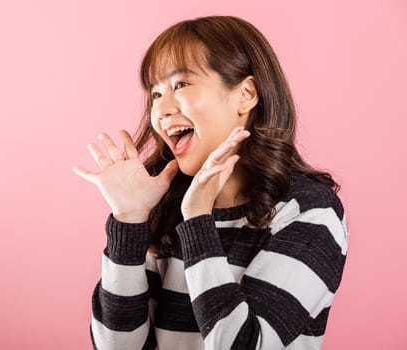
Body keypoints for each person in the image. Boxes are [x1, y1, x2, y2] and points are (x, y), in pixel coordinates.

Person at [72, 15, 348, 350]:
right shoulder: (164, 207)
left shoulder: (308, 211)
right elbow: (118, 347)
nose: (161, 110)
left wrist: (199, 222)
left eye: (181, 85)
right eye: (156, 93)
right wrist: (130, 222)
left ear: (245, 94)